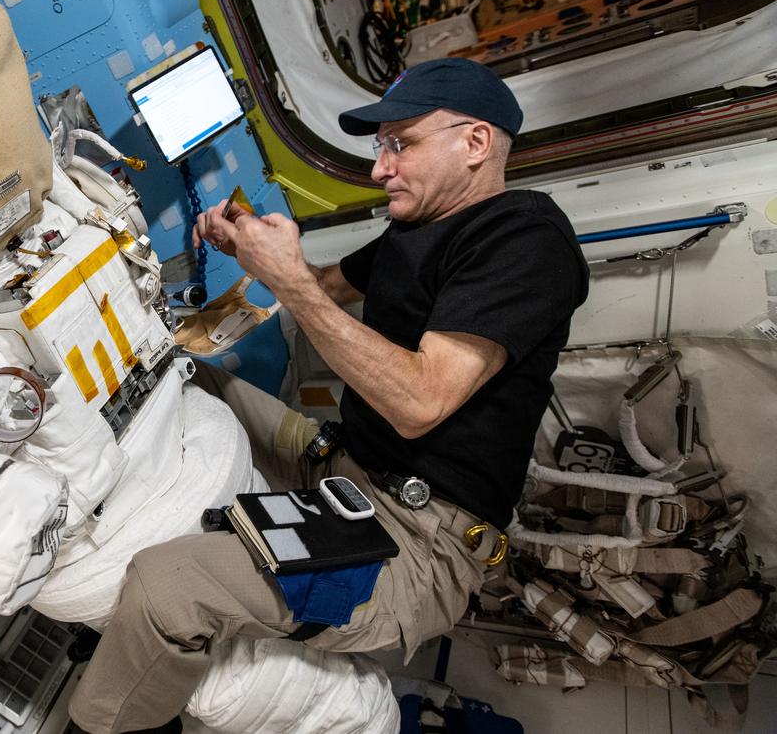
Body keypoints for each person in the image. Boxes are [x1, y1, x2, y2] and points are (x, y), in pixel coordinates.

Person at [67, 57, 590, 734]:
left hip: (415, 544)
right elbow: (324, 286)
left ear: (475, 142)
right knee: (181, 375)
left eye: (400, 144)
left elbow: (421, 401)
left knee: (165, 589)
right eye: (380, 146)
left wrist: (289, 282)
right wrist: (249, 246)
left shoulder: (527, 239)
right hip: (343, 467)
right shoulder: (416, 227)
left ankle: (106, 723)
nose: (379, 168)